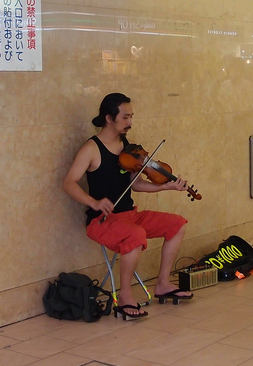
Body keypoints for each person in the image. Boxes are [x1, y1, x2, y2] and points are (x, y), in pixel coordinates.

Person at [62, 93, 192, 320]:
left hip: (130, 215)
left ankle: (162, 283)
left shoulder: (128, 148)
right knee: (135, 235)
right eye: (125, 117)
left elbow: (137, 184)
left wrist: (167, 187)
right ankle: (125, 296)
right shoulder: (91, 149)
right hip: (102, 221)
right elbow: (68, 183)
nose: (130, 122)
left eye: (131, 117)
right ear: (109, 118)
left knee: (177, 224)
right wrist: (94, 202)